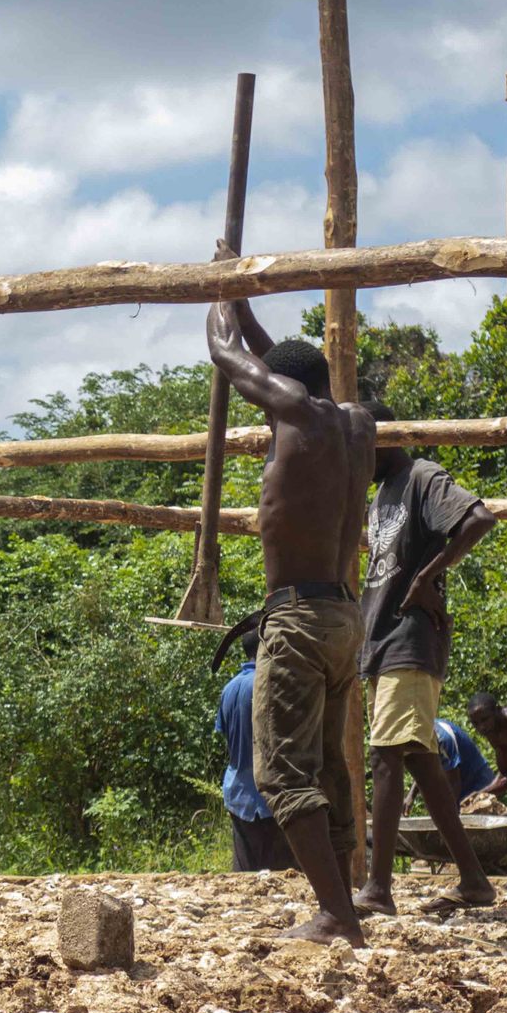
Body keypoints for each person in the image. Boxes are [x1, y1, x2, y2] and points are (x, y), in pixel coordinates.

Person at [206, 250, 375, 947]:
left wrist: (219, 300)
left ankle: (336, 913)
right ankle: (345, 908)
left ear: (286, 390)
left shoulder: (296, 415)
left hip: (301, 618)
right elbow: (279, 364)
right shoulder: (356, 425)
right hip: (343, 614)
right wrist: (248, 305)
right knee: (331, 771)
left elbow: (225, 355)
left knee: (282, 772)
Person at [352, 408, 499, 917]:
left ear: (382, 439)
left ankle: (378, 887)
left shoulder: (421, 476)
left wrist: (428, 576)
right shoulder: (379, 495)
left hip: (410, 638)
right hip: (382, 639)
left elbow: (479, 519)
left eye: (360, 444)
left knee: (386, 755)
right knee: (416, 758)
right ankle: (475, 880)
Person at [215, 629, 296, 872]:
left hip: (238, 792)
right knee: (281, 877)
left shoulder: (229, 688)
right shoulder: (272, 683)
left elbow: (226, 732)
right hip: (272, 794)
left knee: (244, 875)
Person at [433, 718, 496, 804]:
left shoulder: (443, 738)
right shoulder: (421, 735)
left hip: (478, 781)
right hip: (458, 784)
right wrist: (411, 796)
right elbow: (423, 764)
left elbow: (455, 782)